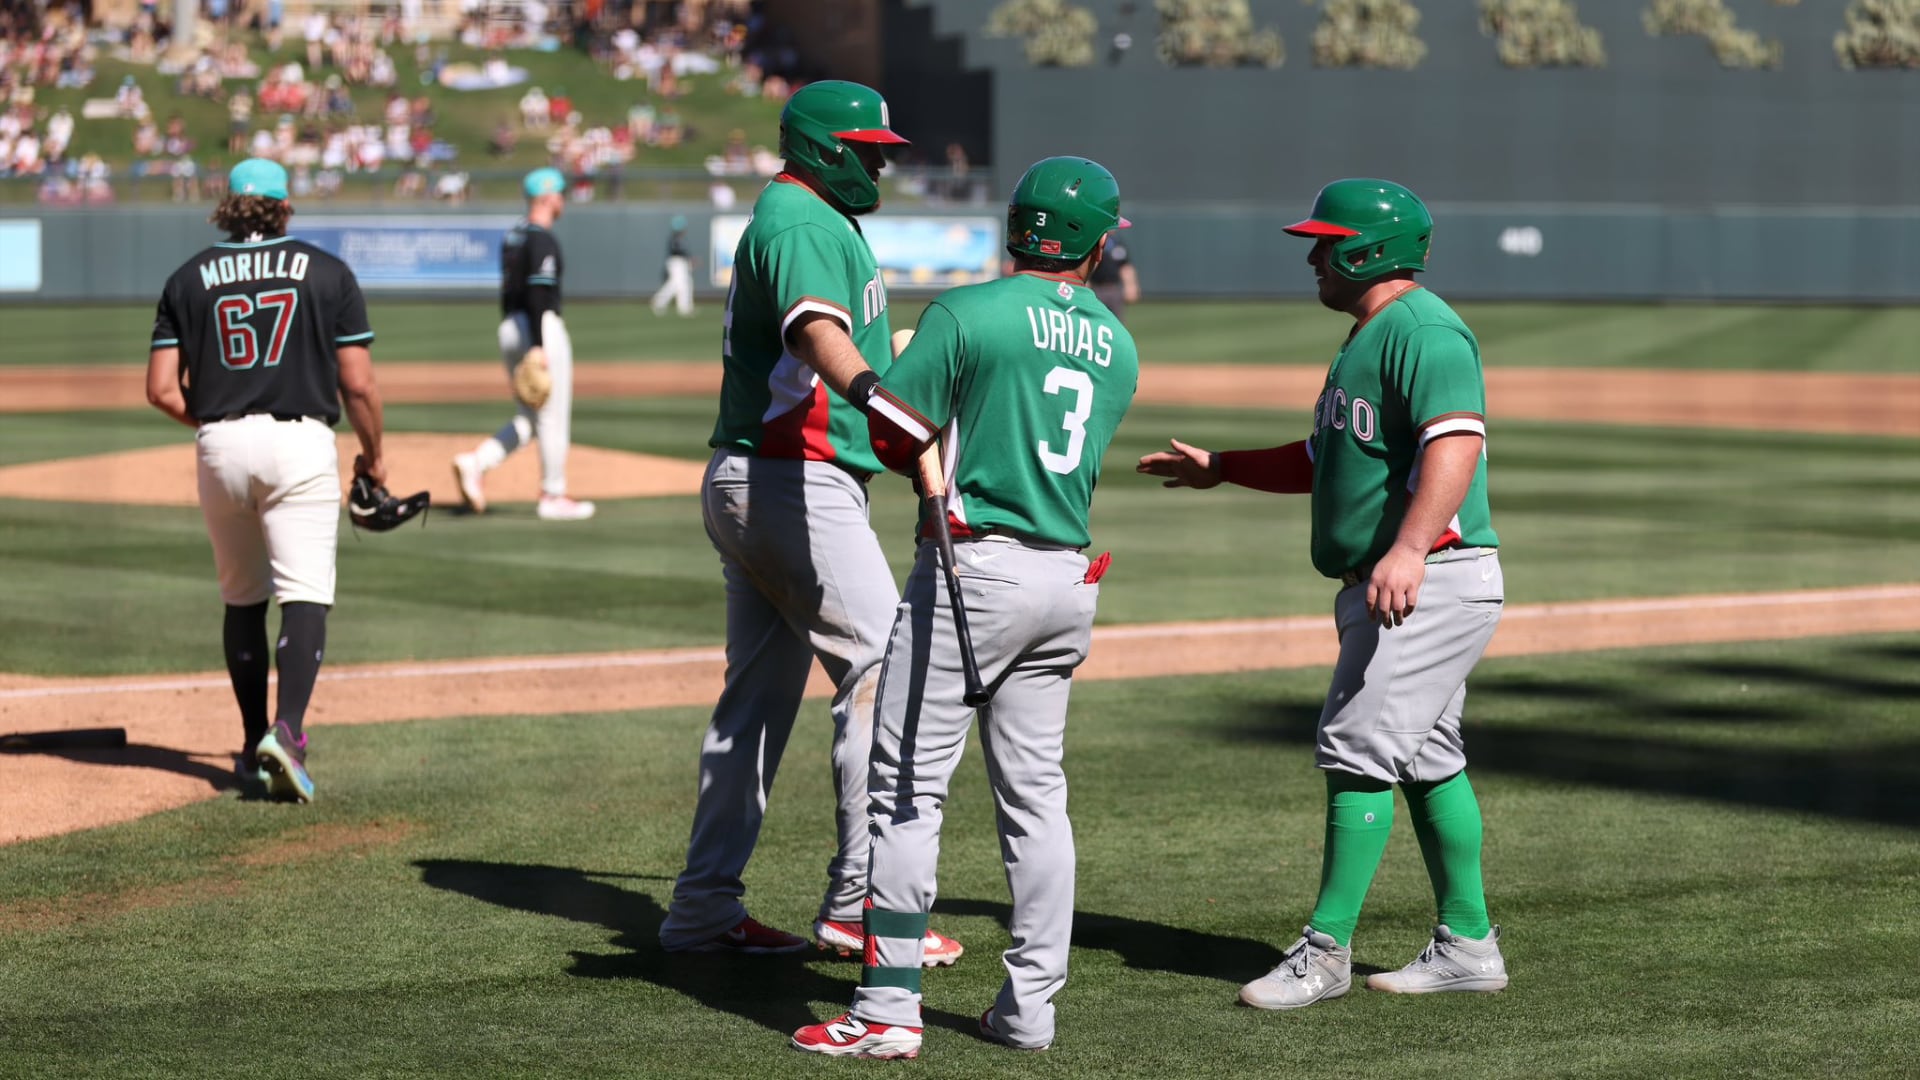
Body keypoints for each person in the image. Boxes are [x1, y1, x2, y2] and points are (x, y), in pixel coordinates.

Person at [791, 157, 1138, 1059]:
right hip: (1067, 577)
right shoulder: (1118, 342)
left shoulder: (965, 312)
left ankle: (888, 1010)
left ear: (1016, 229)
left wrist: (924, 406)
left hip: (970, 569)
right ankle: (1029, 1010)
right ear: (1096, 245)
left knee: (906, 791)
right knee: (1036, 800)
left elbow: (889, 428)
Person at [1135, 178, 1507, 1010]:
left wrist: (1411, 547)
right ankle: (1469, 944)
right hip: (1413, 581)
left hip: (1427, 579)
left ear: (1369, 251)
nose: (1312, 255)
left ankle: (1325, 953)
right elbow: (1322, 460)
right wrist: (1224, 467)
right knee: (1425, 759)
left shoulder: (1425, 330)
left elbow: (1457, 445)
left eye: (1325, 241)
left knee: (1357, 751)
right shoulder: (1369, 337)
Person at [658, 80, 961, 965]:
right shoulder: (799, 219)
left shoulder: (813, 216)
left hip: (763, 477)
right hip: (791, 481)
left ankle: (703, 908)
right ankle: (861, 905)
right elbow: (812, 331)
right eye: (867, 147)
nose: (879, 160)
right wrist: (871, 391)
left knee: (751, 706)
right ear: (823, 147)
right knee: (884, 671)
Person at [143, 157, 384, 805]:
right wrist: (374, 456)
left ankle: (253, 747)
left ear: (228, 206)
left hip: (218, 442)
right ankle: (289, 733)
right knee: (303, 593)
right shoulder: (327, 270)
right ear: (284, 207)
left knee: (242, 598)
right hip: (299, 440)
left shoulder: (186, 277)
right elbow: (356, 383)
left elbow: (161, 389)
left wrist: (220, 424)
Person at [450, 167, 595, 521]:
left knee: (530, 417)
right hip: (537, 325)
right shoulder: (542, 239)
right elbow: (538, 292)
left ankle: (476, 463)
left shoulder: (513, 235)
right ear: (547, 197)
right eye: (559, 193)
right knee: (553, 417)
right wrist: (539, 344)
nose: (563, 199)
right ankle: (553, 495)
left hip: (510, 325)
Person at [1087, 224, 1139, 324]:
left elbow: (1125, 267)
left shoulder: (1117, 244)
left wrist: (1131, 286)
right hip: (1096, 289)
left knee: (1117, 323)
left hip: (1114, 289)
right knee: (1096, 322)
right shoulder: (1094, 243)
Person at [649, 213, 694, 317]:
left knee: (680, 284)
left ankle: (681, 307)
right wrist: (690, 259)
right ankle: (663, 303)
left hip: (680, 263)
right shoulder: (675, 238)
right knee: (677, 285)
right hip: (676, 263)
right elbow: (678, 251)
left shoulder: (679, 238)